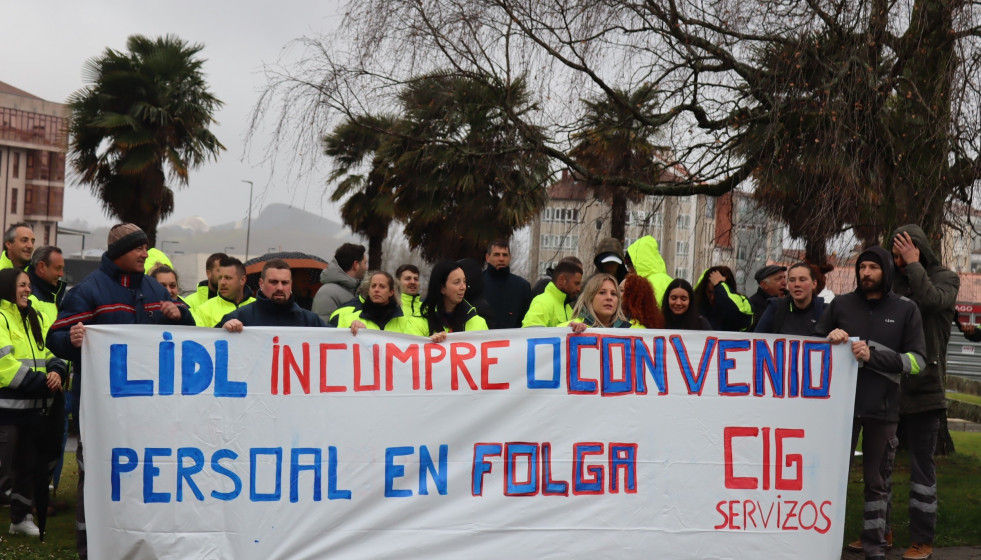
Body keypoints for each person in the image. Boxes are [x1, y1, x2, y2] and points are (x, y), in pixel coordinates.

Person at [46, 223, 195, 559]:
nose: (145, 253)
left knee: (145, 476)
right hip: (103, 413)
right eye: (138, 248)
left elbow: (187, 334)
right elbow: (55, 336)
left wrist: (179, 316)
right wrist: (71, 341)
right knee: (98, 478)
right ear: (118, 252)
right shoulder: (88, 291)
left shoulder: (156, 292)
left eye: (146, 247)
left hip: (152, 412)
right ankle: (91, 547)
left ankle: (144, 543)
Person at [814, 246, 926, 560]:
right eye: (862, 267)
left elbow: (918, 362)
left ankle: (875, 548)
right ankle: (823, 545)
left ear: (886, 271)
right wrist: (829, 338)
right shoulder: (840, 304)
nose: (866, 273)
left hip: (884, 408)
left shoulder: (907, 309)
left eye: (873, 268)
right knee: (829, 476)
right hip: (840, 411)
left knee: (877, 482)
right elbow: (813, 349)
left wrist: (874, 355)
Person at [872, 225, 959, 560]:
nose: (897, 261)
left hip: (926, 388)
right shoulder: (893, 282)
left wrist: (913, 265)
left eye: (903, 254)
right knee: (881, 466)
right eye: (894, 256)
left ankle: (923, 539)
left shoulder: (945, 278)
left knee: (922, 469)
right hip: (890, 387)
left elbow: (932, 302)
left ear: (919, 249)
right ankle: (881, 531)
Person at [0, 269, 67, 538]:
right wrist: (43, 381)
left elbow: (49, 353)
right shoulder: (1, 318)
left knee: (27, 469)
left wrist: (57, 370)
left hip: (34, 412)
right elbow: (4, 365)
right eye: (22, 285)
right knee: (2, 470)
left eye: (28, 285)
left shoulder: (32, 318)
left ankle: (21, 519)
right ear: (7, 287)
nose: (28, 290)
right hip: (6, 412)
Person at [219, 260, 327, 330]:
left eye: (285, 283)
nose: (280, 288)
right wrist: (223, 331)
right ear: (261, 283)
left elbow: (336, 340)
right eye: (273, 282)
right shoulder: (239, 318)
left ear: (291, 285)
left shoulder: (309, 321)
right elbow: (210, 348)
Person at [338, 271, 426, 335]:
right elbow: (338, 347)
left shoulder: (406, 323)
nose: (376, 290)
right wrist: (350, 331)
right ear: (369, 291)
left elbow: (416, 349)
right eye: (373, 286)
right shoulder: (348, 320)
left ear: (391, 292)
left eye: (382, 286)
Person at [422, 261, 488, 341]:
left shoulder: (478, 322)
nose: (463, 287)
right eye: (457, 282)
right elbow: (412, 350)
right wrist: (428, 344)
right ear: (442, 288)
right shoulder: (419, 321)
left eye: (464, 281)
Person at [754, 262, 826, 335]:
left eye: (802, 279)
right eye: (792, 280)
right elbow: (757, 340)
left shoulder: (826, 311)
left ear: (814, 284)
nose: (797, 284)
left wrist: (836, 335)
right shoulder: (776, 307)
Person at [190, 256, 255, 327]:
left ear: (242, 280)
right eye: (220, 278)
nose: (222, 282)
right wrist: (221, 329)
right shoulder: (204, 310)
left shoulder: (257, 307)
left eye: (228, 278)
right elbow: (199, 337)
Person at [563, 273, 640, 332]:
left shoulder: (633, 330)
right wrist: (566, 334)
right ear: (589, 298)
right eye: (602, 292)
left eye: (613, 294)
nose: (609, 298)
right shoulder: (569, 327)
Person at [482, 240, 531, 329]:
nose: (501, 259)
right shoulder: (477, 283)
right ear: (487, 258)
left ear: (510, 258)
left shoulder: (523, 287)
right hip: (482, 340)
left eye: (505, 255)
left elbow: (527, 321)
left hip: (514, 341)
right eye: (497, 255)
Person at [312, 243, 367, 322]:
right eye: (365, 263)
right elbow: (322, 328)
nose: (366, 268)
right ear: (356, 265)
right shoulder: (326, 293)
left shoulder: (356, 291)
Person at [522, 260, 583, 327]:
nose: (579, 289)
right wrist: (565, 328)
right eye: (576, 283)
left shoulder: (568, 308)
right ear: (561, 280)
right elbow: (531, 333)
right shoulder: (542, 302)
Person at [693, 266, 753, 332]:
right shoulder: (695, 305)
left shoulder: (743, 302)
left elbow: (740, 317)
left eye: (717, 293)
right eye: (709, 292)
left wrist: (720, 285)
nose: (712, 297)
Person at [625, 236, 673, 305]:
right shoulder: (669, 281)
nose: (629, 270)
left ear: (639, 263)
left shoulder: (645, 286)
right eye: (627, 266)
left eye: (630, 265)